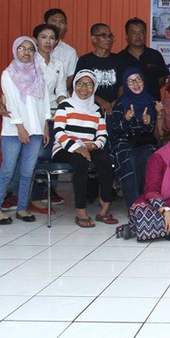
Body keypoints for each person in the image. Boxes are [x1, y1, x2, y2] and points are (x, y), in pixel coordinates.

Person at [0, 37, 51, 225]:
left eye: (30, 49)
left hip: (36, 130)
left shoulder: (38, 73)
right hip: (13, 131)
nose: (26, 52)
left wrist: (45, 124)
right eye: (22, 48)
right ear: (15, 50)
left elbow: (45, 101)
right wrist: (20, 127)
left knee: (27, 172)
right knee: (7, 171)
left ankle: (22, 208)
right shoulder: (8, 74)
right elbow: (11, 102)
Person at [52, 70, 116, 228]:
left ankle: (105, 205)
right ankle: (81, 210)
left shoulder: (96, 109)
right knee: (81, 162)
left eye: (89, 85)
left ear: (94, 88)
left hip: (89, 147)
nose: (84, 88)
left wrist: (94, 145)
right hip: (64, 147)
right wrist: (77, 148)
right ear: (74, 85)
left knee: (105, 159)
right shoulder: (65, 105)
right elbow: (58, 132)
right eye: (80, 83)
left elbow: (102, 134)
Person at [27, 24, 68, 213]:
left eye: (52, 38)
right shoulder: (29, 62)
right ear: (36, 39)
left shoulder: (58, 64)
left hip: (52, 115)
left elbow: (60, 90)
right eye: (43, 37)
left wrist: (65, 106)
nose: (48, 41)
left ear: (57, 41)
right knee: (35, 156)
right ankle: (27, 196)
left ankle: (43, 195)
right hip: (32, 115)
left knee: (50, 154)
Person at [108, 68, 159, 208]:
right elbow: (115, 129)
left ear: (143, 81)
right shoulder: (121, 103)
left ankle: (150, 202)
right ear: (125, 85)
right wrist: (125, 119)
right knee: (130, 159)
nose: (135, 84)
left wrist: (147, 123)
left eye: (138, 80)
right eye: (130, 81)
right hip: (123, 140)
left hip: (144, 140)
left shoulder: (151, 102)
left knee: (149, 158)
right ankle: (135, 206)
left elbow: (151, 131)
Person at [117, 17, 169, 101]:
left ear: (145, 35)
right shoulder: (119, 58)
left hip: (152, 104)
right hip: (129, 106)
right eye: (134, 33)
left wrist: (150, 89)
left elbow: (162, 77)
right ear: (127, 36)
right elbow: (119, 85)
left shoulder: (155, 55)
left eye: (141, 32)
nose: (138, 36)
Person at [75, 23, 120, 115]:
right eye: (104, 35)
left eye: (110, 36)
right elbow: (78, 86)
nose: (108, 39)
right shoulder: (85, 60)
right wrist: (99, 100)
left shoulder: (118, 60)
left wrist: (118, 101)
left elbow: (122, 85)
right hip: (90, 108)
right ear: (94, 39)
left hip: (114, 109)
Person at [44, 8, 78, 90]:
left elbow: (71, 79)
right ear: (45, 24)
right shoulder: (33, 48)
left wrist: (56, 94)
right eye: (54, 21)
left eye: (61, 22)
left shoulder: (70, 52)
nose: (58, 25)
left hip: (59, 96)